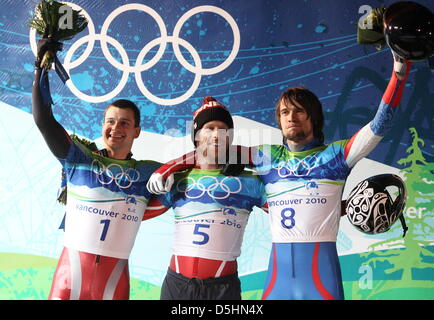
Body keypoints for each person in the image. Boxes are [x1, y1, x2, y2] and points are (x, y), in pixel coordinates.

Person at [146, 53, 412, 299]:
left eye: (299, 110)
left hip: (322, 277)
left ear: (314, 117)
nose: (291, 117)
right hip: (277, 280)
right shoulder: (267, 157)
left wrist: (398, 76)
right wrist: (166, 168)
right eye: (285, 112)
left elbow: (380, 125)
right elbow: (212, 150)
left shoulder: (336, 156)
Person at [32, 38, 182, 300]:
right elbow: (44, 120)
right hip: (69, 278)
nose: (116, 128)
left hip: (113, 282)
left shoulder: (148, 173)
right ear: (102, 125)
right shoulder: (79, 158)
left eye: (125, 123)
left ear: (137, 131)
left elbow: (194, 179)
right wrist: (41, 67)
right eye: (110, 121)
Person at [144, 96, 268, 300]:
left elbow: (287, 206)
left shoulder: (250, 182)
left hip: (222, 289)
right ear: (197, 135)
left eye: (223, 129)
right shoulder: (178, 180)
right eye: (209, 128)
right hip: (177, 285)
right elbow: (135, 214)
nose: (217, 134)